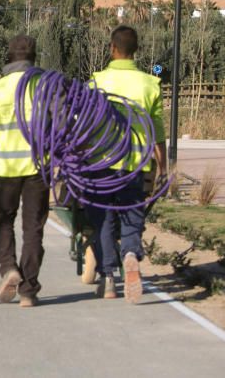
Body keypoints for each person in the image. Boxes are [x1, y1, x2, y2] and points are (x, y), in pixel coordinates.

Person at [85, 26, 166, 303]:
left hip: (101, 163)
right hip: (135, 163)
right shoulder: (149, 84)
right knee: (132, 214)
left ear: (112, 48)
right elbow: (157, 131)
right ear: (136, 50)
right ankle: (130, 253)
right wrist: (163, 166)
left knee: (104, 218)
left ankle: (108, 278)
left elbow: (85, 126)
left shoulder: (96, 82)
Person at [0, 35, 48, 308]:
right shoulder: (46, 87)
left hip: (6, 168)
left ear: (9, 56)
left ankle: (9, 268)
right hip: (38, 168)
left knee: (2, 218)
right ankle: (29, 291)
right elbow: (62, 126)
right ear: (34, 57)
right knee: (33, 227)